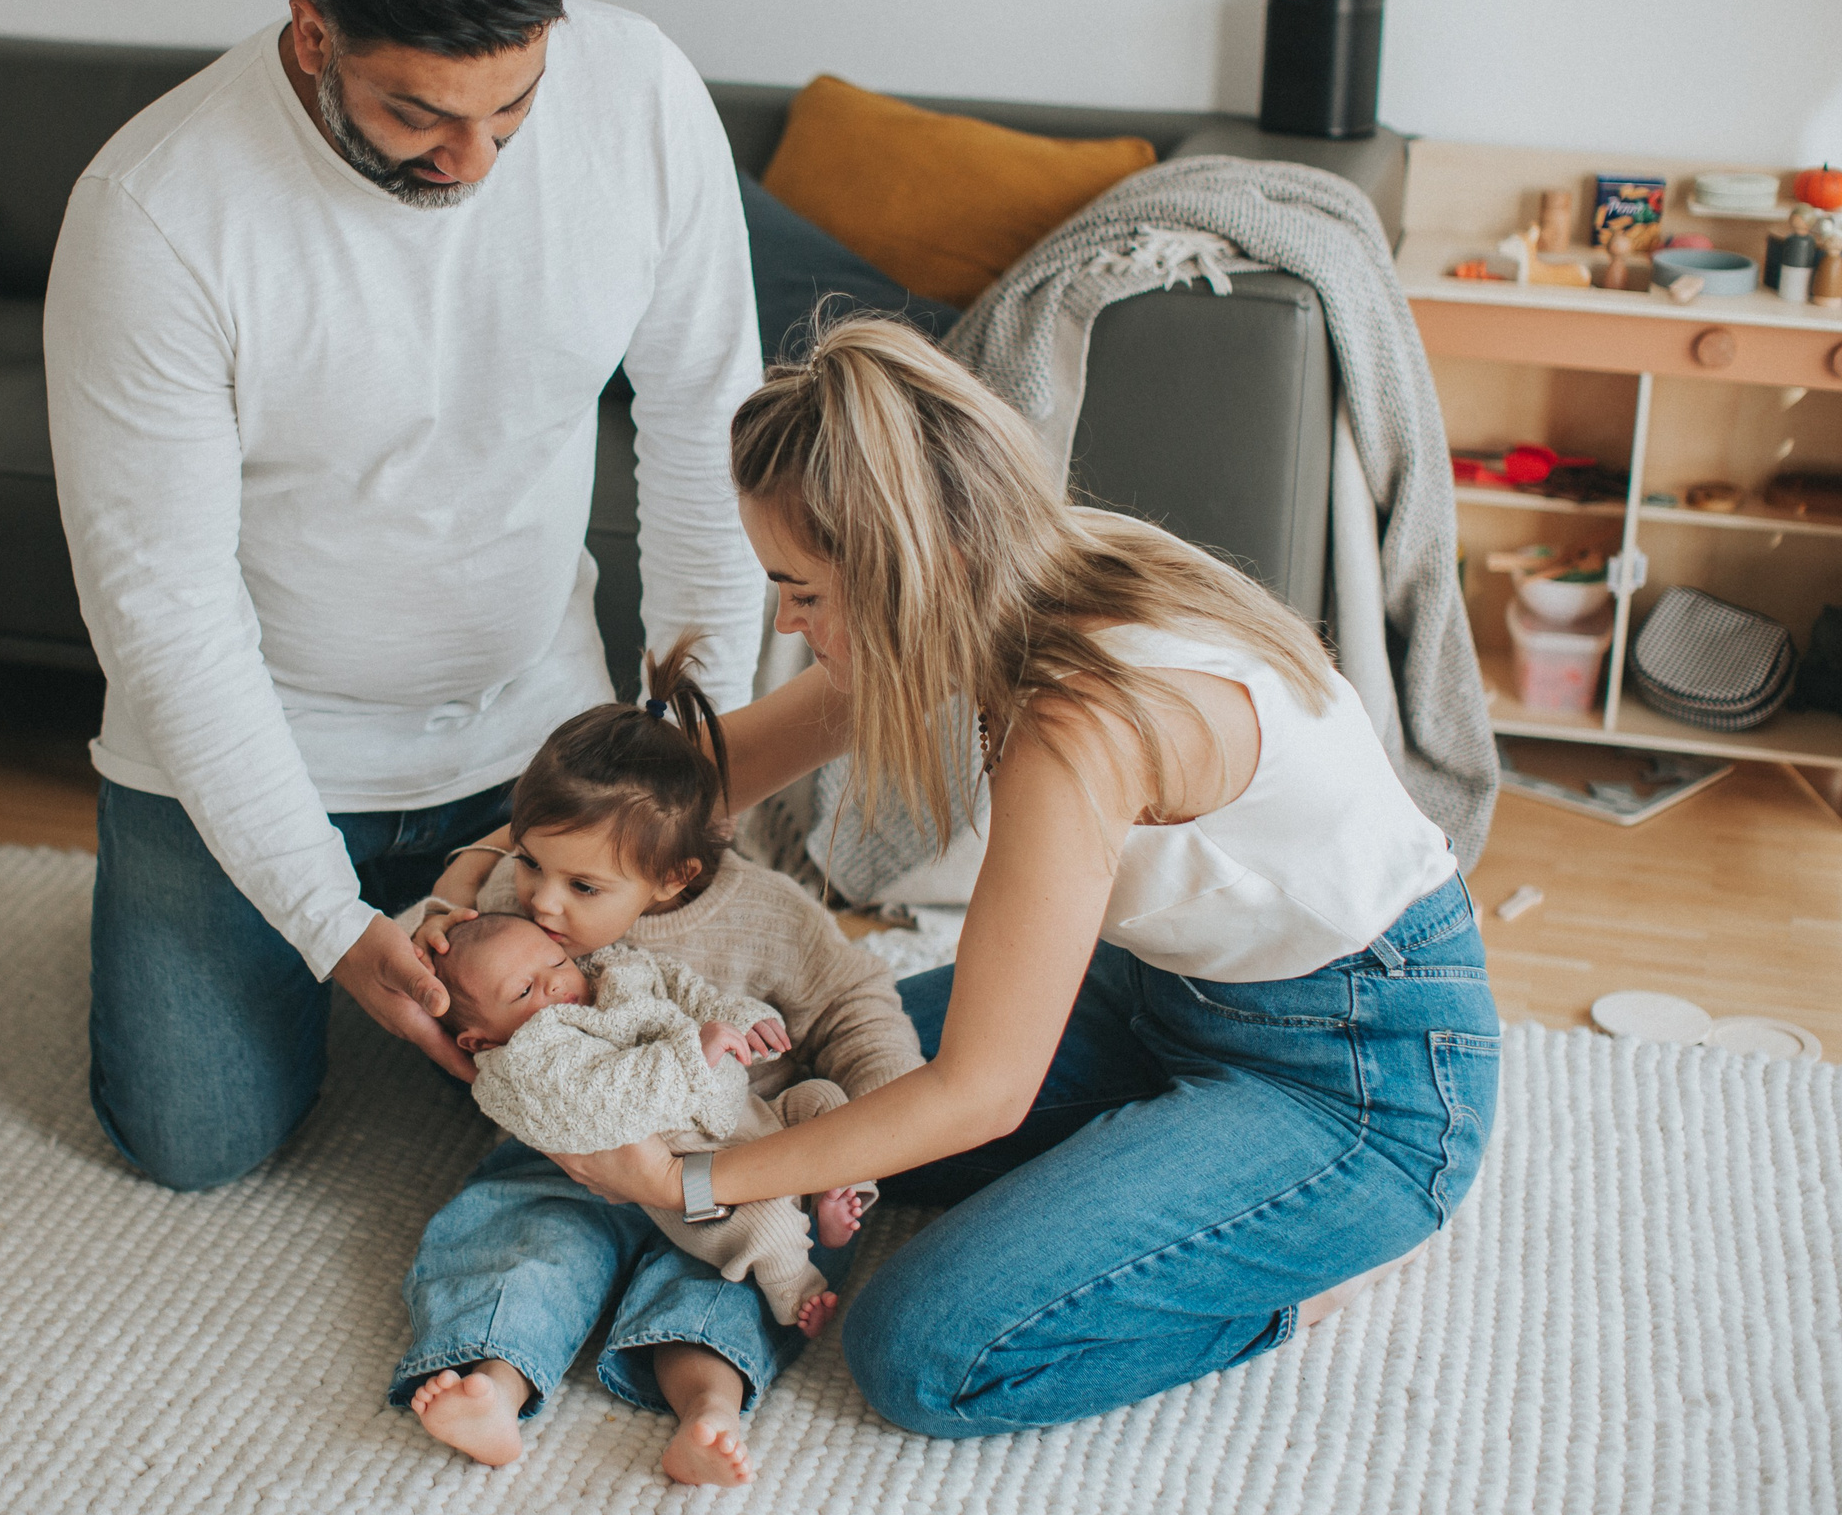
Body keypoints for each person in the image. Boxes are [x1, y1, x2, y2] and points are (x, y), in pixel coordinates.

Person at [549, 316, 1502, 1440]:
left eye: (801, 590)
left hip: (1358, 1073)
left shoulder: (1081, 721)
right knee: (796, 1068)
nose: (789, 623)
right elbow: (724, 770)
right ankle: (1150, 1146)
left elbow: (978, 1093)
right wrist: (525, 859)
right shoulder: (996, 577)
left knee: (921, 1350)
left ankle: (1307, 1274)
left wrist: (697, 1182)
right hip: (1156, 994)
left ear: (902, 569)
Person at [42, 0, 762, 1192]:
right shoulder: (156, 210)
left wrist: (685, 765)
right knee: (194, 1141)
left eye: (511, 109)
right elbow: (165, 606)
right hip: (264, 739)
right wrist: (322, 921)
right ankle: (242, 909)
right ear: (314, 37)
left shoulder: (641, 92)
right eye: (418, 116)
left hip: (535, 745)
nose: (473, 161)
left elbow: (701, 426)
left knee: (642, 1093)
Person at [388, 639, 921, 1484]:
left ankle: (706, 1411)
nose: (542, 901)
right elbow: (451, 944)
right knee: (515, 1235)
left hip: (734, 1163)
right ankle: (491, 1379)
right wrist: (439, 919)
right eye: (529, 859)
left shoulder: (772, 918)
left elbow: (859, 1000)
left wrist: (879, 1123)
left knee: (741, 1278)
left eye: (584, 886)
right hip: (573, 1160)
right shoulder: (516, 900)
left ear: (672, 879)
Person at [438, 912, 869, 1329]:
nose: (553, 981)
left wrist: (741, 1019)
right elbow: (605, 1093)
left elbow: (689, 991)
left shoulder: (613, 969)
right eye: (523, 990)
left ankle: (838, 1191)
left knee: (824, 1100)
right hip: (693, 1170)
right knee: (768, 1225)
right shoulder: (527, 1060)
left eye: (556, 962)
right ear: (480, 1039)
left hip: (749, 1114)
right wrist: (692, 1055)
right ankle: (799, 1292)